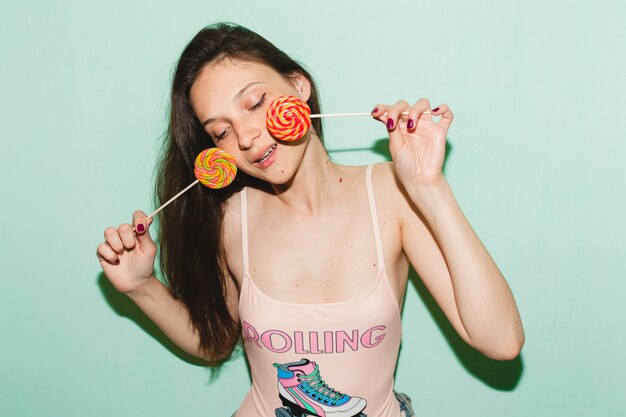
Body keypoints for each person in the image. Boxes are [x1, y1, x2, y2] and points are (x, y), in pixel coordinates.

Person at [96, 22, 525, 417]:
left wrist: (428, 187)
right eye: (220, 131)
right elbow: (213, 343)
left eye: (255, 102)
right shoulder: (231, 219)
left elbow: (501, 342)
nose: (245, 137)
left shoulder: (392, 195)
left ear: (298, 87)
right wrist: (141, 287)